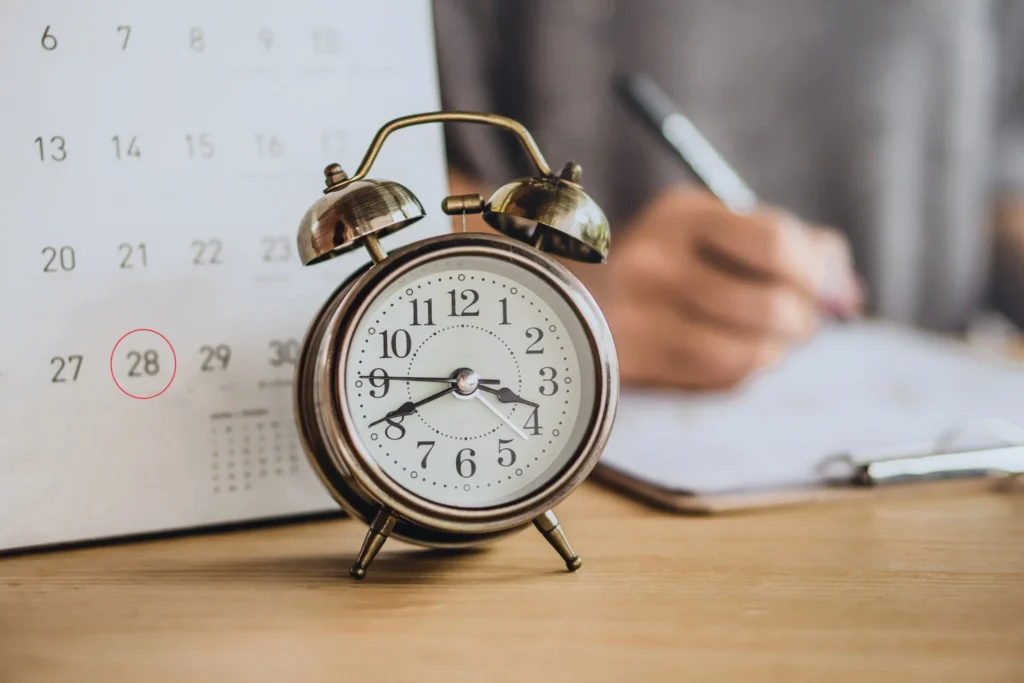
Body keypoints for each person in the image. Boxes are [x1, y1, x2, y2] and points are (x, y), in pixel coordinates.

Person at [433, 0, 1024, 389]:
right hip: (566, 409)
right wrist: (552, 296)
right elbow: (379, 158)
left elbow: (1006, 170)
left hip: (935, 416)